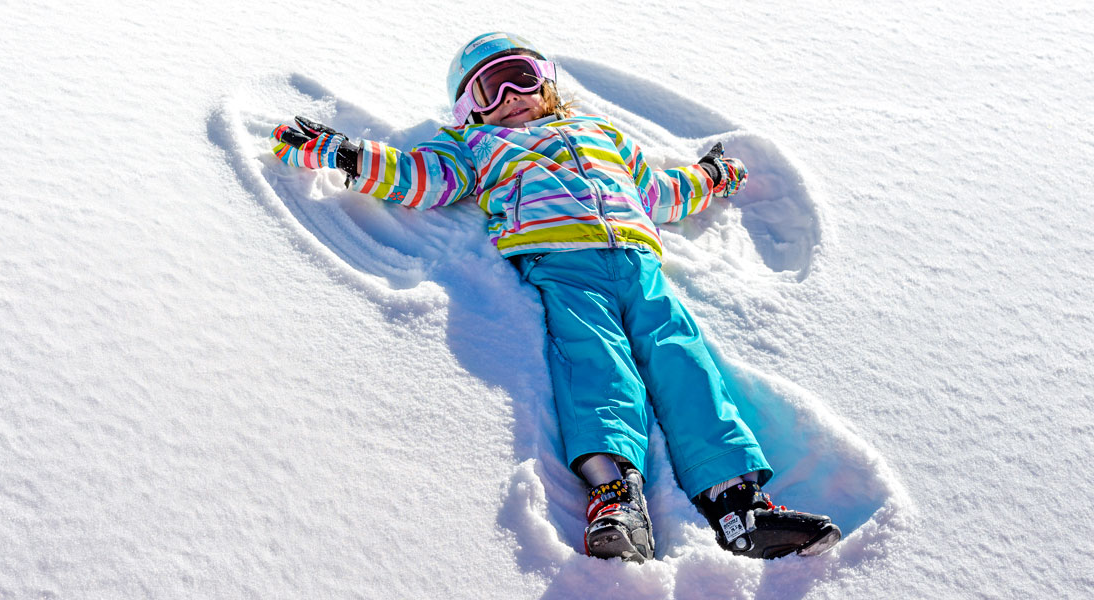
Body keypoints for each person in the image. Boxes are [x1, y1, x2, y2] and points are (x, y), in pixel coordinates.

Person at [268, 32, 840, 562]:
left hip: (640, 265)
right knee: (597, 365)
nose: (514, 95)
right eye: (493, 88)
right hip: (562, 263)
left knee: (684, 361)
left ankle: (739, 507)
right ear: (472, 109)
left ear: (546, 82)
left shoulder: (603, 136)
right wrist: (343, 154)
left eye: (522, 76)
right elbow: (418, 178)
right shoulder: (479, 146)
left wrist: (710, 177)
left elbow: (661, 192)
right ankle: (616, 495)